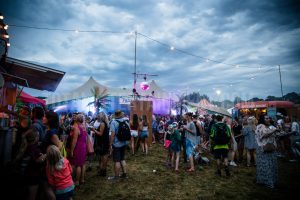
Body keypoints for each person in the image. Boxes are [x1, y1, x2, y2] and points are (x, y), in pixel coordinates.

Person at [255, 115, 279, 189]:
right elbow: (264, 135)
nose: (268, 119)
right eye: (266, 118)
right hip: (262, 149)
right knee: (265, 165)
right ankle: (267, 182)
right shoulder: (260, 126)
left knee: (271, 165)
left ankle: (271, 181)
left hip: (270, 148)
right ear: (262, 119)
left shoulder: (270, 126)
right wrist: (274, 130)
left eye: (269, 118)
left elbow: (275, 136)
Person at [108, 110, 129, 180]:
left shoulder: (113, 122)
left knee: (117, 160)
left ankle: (116, 176)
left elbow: (113, 134)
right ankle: (125, 174)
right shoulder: (125, 121)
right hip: (124, 143)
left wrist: (110, 144)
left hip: (116, 144)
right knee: (122, 159)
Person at [69, 114, 87, 187]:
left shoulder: (77, 128)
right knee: (82, 163)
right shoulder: (84, 127)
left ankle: (76, 181)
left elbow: (74, 141)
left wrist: (72, 150)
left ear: (77, 119)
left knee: (77, 165)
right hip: (83, 146)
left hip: (78, 147)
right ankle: (81, 180)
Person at [93, 112, 110, 177]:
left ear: (101, 117)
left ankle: (103, 171)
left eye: (99, 116)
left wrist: (94, 130)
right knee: (104, 156)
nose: (98, 117)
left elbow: (100, 133)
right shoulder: (106, 123)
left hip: (103, 142)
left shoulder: (102, 123)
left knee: (104, 157)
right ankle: (103, 170)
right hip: (105, 141)